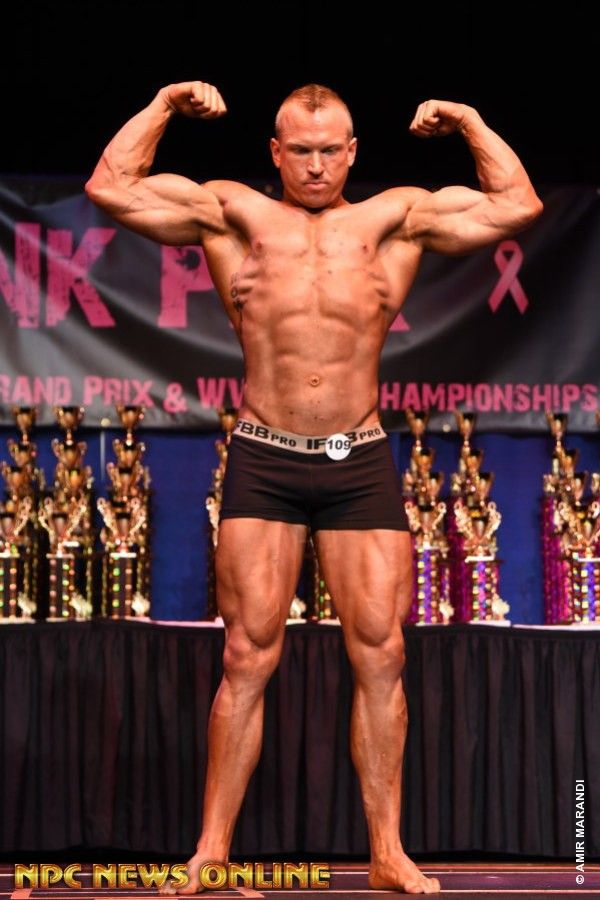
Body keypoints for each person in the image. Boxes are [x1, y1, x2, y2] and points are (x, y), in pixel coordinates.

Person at [86, 81, 542, 894]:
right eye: (300, 150)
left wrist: (471, 122)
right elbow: (111, 187)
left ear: (354, 151)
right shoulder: (234, 215)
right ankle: (212, 851)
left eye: (331, 150)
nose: (317, 166)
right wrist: (163, 104)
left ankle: (387, 853)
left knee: (382, 653)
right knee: (246, 654)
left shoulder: (395, 219)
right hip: (264, 456)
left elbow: (517, 205)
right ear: (276, 151)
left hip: (356, 458)